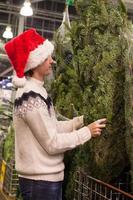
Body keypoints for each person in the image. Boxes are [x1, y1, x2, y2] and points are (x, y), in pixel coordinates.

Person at [5, 29, 106, 200]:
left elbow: (51, 127)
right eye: (47, 58)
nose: (52, 61)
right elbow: (52, 143)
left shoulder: (38, 91)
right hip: (40, 183)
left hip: (45, 180)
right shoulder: (30, 98)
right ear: (35, 63)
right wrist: (86, 132)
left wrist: (79, 122)